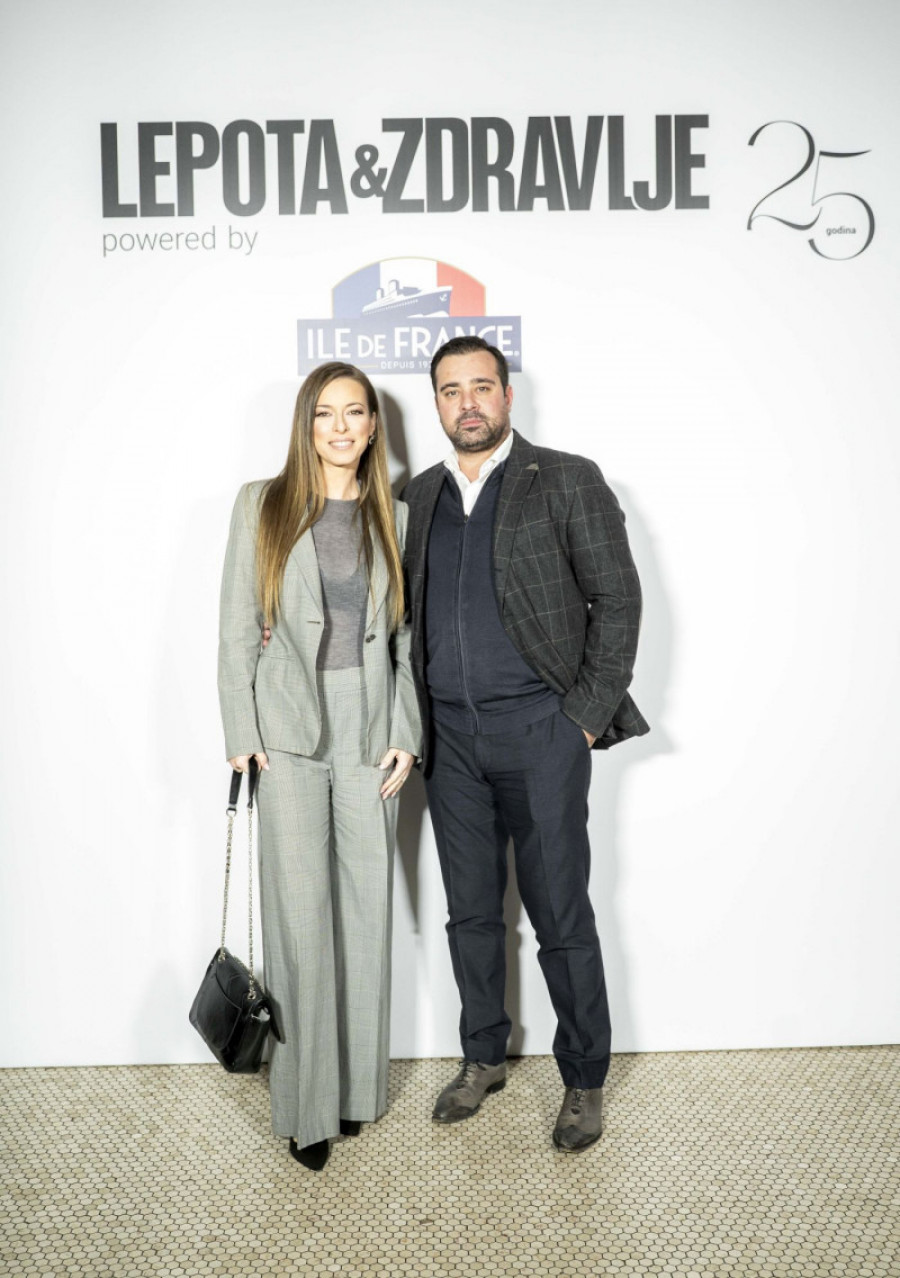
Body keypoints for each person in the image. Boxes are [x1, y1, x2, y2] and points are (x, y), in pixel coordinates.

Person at [400, 336, 647, 1153]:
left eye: (481, 387)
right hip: (450, 742)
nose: (467, 403)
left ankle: (583, 1078)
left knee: (560, 915)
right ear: (437, 403)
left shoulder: (565, 478)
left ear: (507, 396)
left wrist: (582, 717)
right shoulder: (417, 495)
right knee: (470, 913)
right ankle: (483, 1058)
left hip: (542, 732)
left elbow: (617, 601)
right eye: (450, 390)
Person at [218, 362, 421, 1171]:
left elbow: (408, 639)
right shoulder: (260, 504)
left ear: (373, 427)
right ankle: (307, 1109)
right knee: (301, 924)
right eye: (325, 413)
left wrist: (407, 730)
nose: (340, 427)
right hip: (288, 730)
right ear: (306, 425)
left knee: (365, 917)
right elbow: (237, 624)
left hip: (371, 728)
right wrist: (242, 727)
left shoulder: (397, 517)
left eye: (355, 412)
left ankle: (355, 1094)